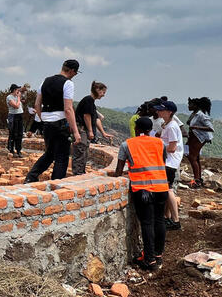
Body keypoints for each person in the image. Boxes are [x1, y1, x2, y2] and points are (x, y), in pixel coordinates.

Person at [112, 116, 169, 270]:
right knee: (159, 220)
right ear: (150, 130)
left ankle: (149, 260)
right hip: (162, 187)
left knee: (147, 223)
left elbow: (118, 171)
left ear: (136, 129)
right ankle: (158, 255)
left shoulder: (127, 144)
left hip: (143, 189)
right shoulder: (160, 143)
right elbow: (161, 162)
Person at [24, 60, 82, 183]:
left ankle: (31, 177)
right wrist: (76, 131)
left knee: (50, 153)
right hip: (60, 123)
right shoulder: (68, 83)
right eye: (75, 73)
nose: (74, 75)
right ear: (72, 71)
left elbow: (37, 104)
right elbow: (68, 109)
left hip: (47, 124)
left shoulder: (45, 81)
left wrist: (43, 119)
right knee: (62, 157)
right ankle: (57, 185)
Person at [153, 100, 183, 230]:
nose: (158, 111)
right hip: (168, 161)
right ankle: (167, 217)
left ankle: (175, 220)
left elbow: (172, 147)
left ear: (169, 112)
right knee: (167, 189)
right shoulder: (167, 125)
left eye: (161, 110)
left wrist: (157, 144)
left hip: (170, 162)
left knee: (168, 190)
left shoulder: (171, 126)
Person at [72, 81, 113, 174]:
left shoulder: (92, 103)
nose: (103, 95)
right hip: (81, 129)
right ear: (97, 90)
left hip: (84, 130)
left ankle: (81, 173)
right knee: (80, 152)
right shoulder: (88, 100)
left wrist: (103, 133)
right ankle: (77, 174)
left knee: (84, 152)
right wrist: (90, 131)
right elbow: (86, 116)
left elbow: (96, 119)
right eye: (103, 92)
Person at [186, 97, 214, 188]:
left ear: (196, 106)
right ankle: (198, 178)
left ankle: (196, 180)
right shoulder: (194, 114)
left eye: (190, 104)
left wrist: (196, 127)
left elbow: (211, 128)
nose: (188, 106)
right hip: (194, 137)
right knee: (195, 157)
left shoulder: (201, 115)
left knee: (192, 157)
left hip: (199, 138)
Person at [6, 84, 24, 156]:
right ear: (14, 90)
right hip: (13, 116)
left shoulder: (17, 96)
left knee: (20, 133)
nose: (18, 91)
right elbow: (16, 106)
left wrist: (19, 97)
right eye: (17, 90)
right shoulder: (9, 97)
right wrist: (19, 98)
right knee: (13, 133)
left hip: (20, 115)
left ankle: (18, 150)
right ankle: (11, 149)